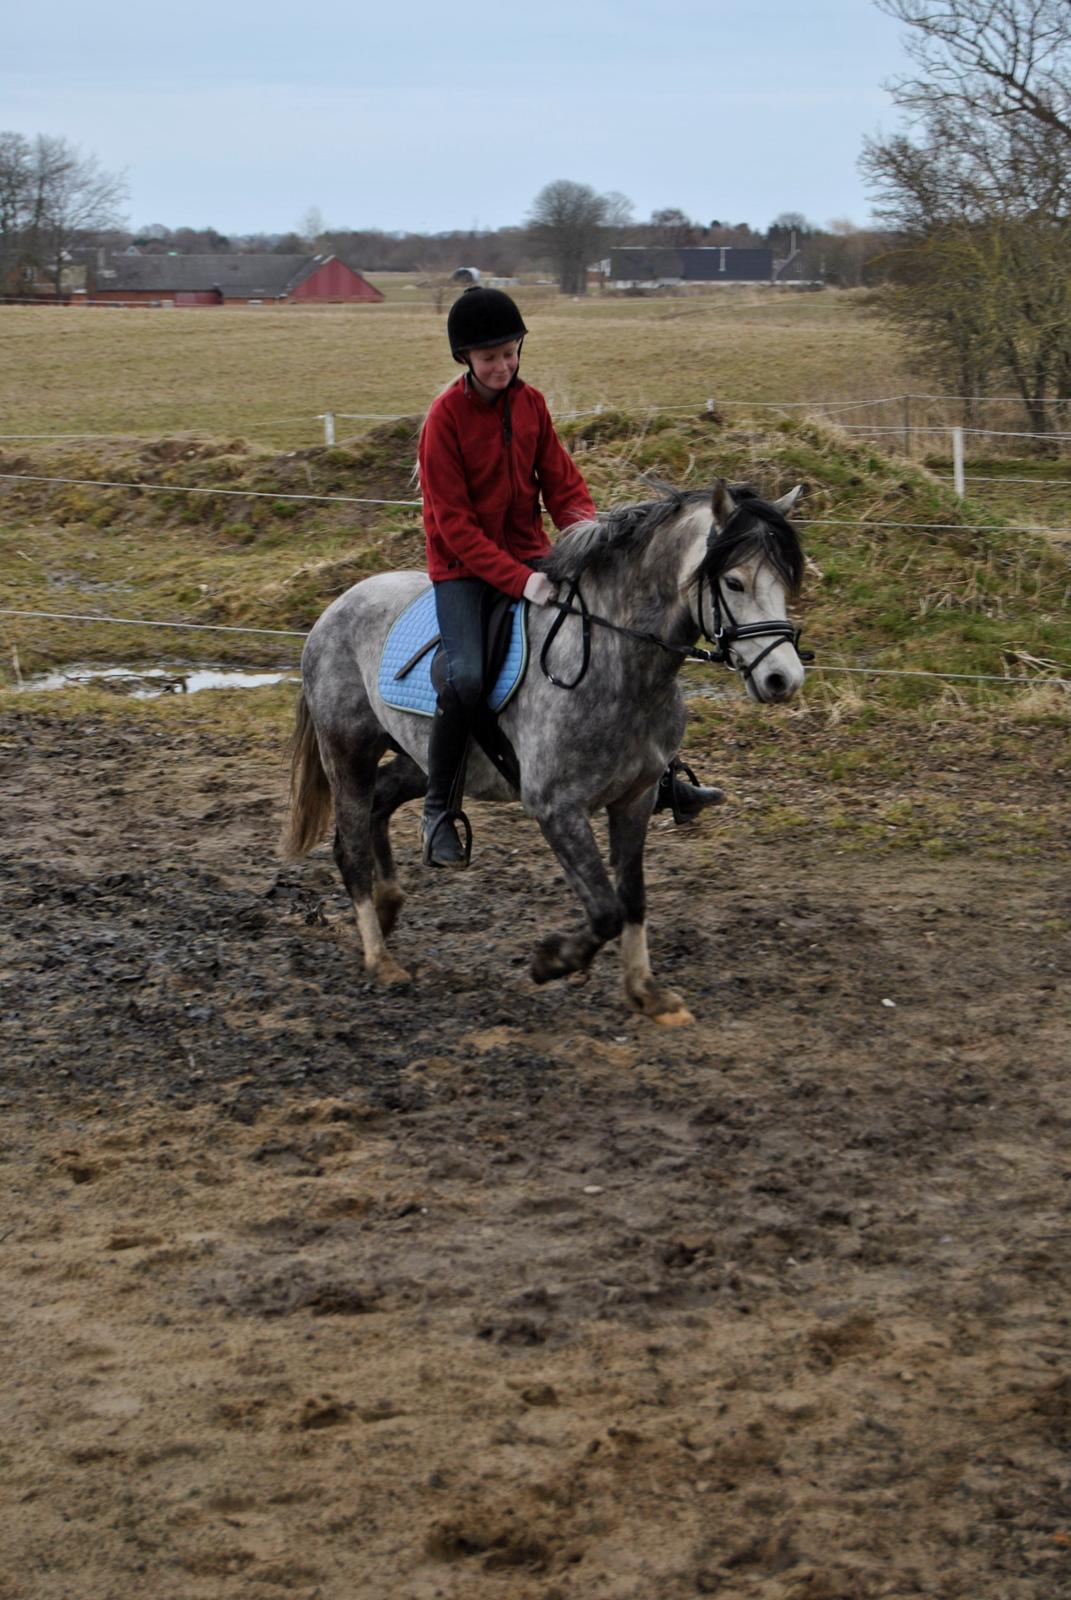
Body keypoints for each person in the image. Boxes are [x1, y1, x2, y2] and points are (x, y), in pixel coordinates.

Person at [417, 285, 722, 868]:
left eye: (510, 353)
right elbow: (454, 527)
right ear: (465, 359)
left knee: (616, 639)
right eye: (490, 358)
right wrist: (519, 581)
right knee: (467, 678)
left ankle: (659, 775)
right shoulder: (443, 421)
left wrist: (589, 541)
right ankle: (439, 809)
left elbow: (562, 484)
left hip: (534, 553)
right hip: (463, 569)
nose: (503, 366)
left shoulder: (530, 404)